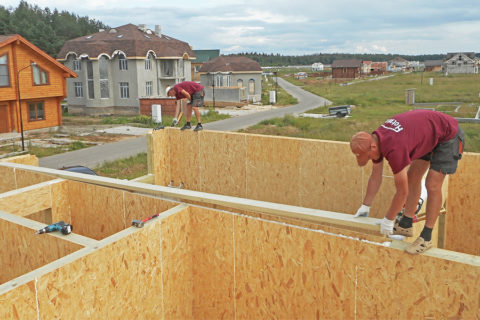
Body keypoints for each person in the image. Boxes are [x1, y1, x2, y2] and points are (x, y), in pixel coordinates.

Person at [350, 109, 465, 254]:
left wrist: (389, 219)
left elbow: (402, 192)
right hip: (429, 134)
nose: (369, 159)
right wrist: (365, 206)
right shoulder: (375, 140)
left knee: (432, 184)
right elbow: (375, 176)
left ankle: (426, 237)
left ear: (372, 147)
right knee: (412, 178)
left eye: (367, 157)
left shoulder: (394, 149)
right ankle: (406, 224)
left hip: (448, 135)